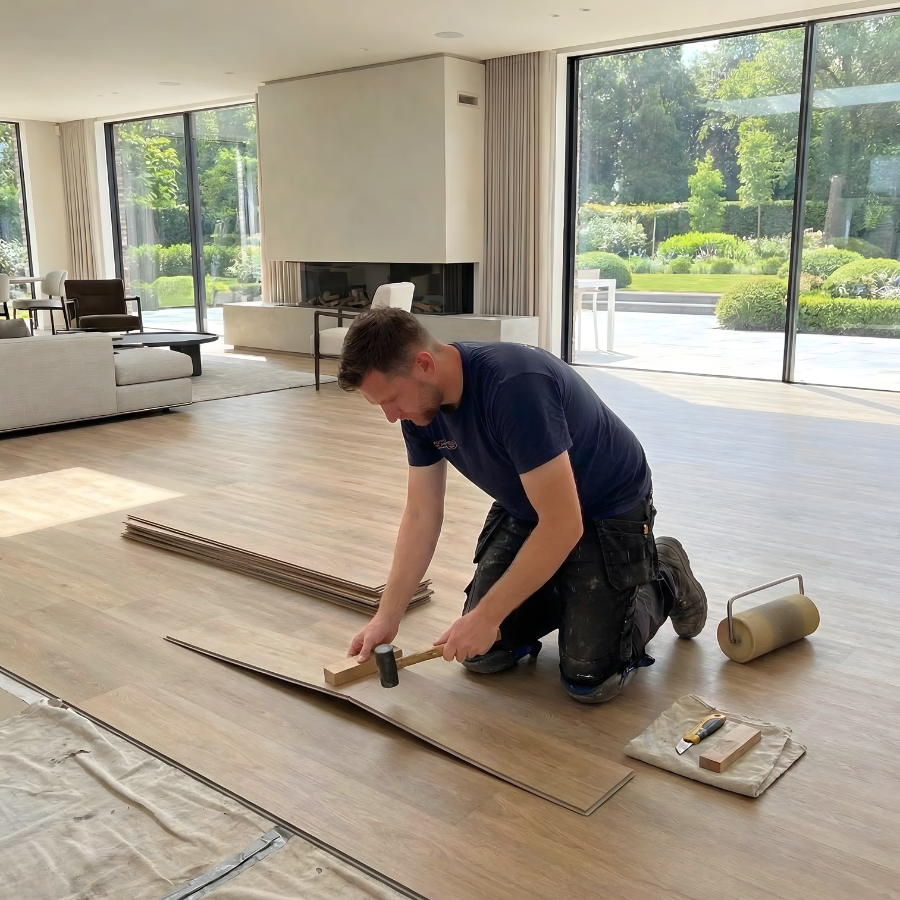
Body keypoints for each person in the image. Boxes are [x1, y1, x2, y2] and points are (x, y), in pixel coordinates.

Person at [338, 307, 707, 703]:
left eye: (391, 399)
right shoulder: (421, 411)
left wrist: (488, 614)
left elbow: (564, 523)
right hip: (530, 506)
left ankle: (665, 569)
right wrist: (387, 616)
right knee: (483, 653)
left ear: (424, 364)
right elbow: (421, 515)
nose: (391, 417)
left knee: (590, 678)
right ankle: (573, 586)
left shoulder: (515, 386)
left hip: (606, 508)